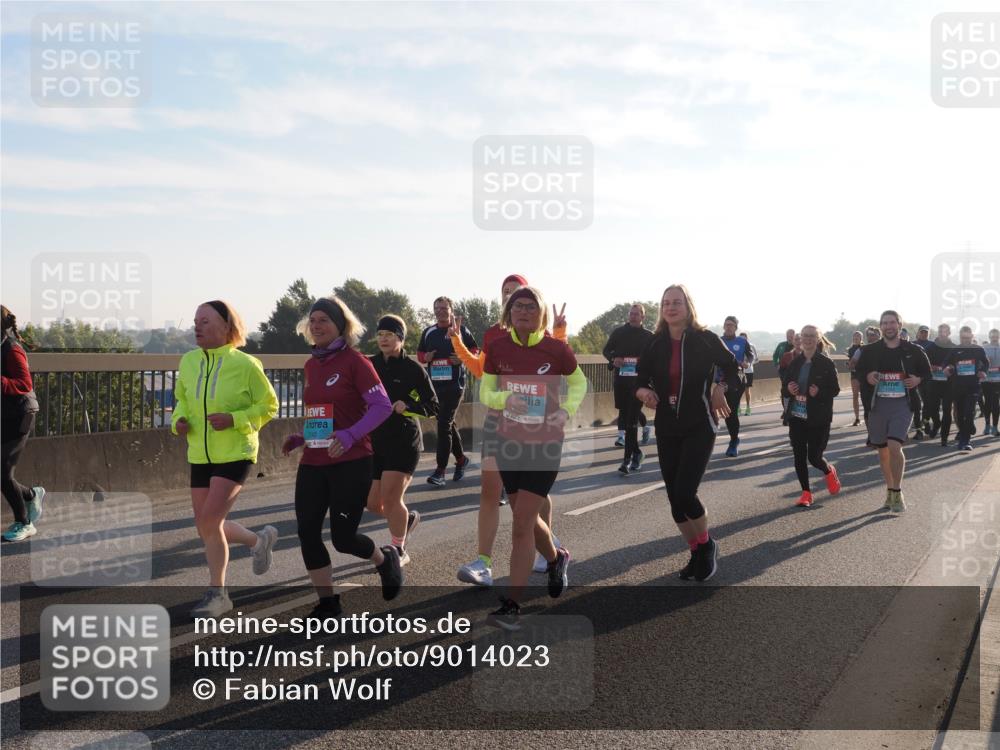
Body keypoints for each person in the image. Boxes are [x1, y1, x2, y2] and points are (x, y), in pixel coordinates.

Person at [281, 297, 401, 621]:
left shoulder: (356, 362)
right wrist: (304, 437)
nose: (317, 326)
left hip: (352, 460)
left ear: (340, 326)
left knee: (343, 539)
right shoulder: (311, 365)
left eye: (324, 320)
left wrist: (349, 435)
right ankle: (328, 604)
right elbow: (322, 413)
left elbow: (382, 407)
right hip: (314, 461)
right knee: (307, 531)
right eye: (313, 320)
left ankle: (384, 559)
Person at [479, 285, 586, 629]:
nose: (523, 311)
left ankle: (511, 605)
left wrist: (566, 410)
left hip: (545, 444)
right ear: (508, 313)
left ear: (540, 313)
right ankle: (557, 558)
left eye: (530, 306)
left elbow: (580, 383)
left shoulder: (556, 350)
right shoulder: (496, 347)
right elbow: (486, 390)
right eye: (517, 306)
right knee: (523, 515)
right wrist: (503, 401)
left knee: (521, 524)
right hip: (508, 443)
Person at [450, 274, 568, 586]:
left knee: (533, 500)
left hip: (537, 431)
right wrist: (457, 343)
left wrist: (559, 332)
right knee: (490, 491)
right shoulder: (494, 337)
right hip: (498, 424)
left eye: (517, 293)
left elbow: (561, 366)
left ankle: (549, 552)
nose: (511, 298)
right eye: (506, 294)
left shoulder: (543, 339)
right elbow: (479, 370)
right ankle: (484, 563)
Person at [172, 300, 280, 618]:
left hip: (236, 452)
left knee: (209, 522)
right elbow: (181, 400)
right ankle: (257, 541)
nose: (197, 326)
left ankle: (218, 594)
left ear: (227, 327)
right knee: (206, 526)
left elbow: (269, 406)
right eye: (195, 321)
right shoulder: (189, 362)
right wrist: (178, 420)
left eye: (205, 321)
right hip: (200, 452)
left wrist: (234, 419)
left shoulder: (245, 364)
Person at [635, 284, 737, 583]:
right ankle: (695, 551)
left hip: (699, 425)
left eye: (676, 302)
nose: (670, 307)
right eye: (666, 302)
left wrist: (721, 388)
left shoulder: (705, 339)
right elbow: (638, 378)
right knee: (673, 499)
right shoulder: (654, 344)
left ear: (688, 306)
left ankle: (707, 545)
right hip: (667, 426)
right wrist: (642, 390)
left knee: (685, 493)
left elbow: (733, 368)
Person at [367, 315, 439, 566]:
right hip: (375, 440)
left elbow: (433, 406)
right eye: (380, 334)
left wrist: (407, 406)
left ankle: (398, 548)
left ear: (401, 338)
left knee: (390, 498)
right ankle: (405, 521)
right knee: (373, 503)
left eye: (389, 334)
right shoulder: (369, 365)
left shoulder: (412, 369)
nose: (384, 338)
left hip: (404, 440)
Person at [854, 310, 931, 512]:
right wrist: (868, 376)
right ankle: (889, 489)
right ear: (881, 326)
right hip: (877, 406)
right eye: (885, 323)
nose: (889, 326)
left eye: (892, 322)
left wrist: (918, 380)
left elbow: (928, 373)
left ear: (899, 325)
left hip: (902, 405)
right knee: (883, 452)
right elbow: (859, 372)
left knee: (895, 446)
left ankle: (897, 492)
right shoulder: (870, 350)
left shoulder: (912, 350)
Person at [417, 297, 478, 486]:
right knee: (447, 423)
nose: (441, 312)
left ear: (451, 310)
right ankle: (461, 460)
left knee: (443, 424)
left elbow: (475, 351)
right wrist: (425, 357)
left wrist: (462, 359)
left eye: (444, 308)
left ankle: (440, 471)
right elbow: (420, 355)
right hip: (434, 386)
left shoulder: (461, 330)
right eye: (437, 309)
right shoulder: (429, 332)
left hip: (455, 385)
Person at [781, 326, 841, 507]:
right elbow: (784, 388)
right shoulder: (795, 363)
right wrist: (789, 389)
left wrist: (820, 392)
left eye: (811, 336)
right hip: (797, 415)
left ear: (818, 338)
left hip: (818, 417)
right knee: (799, 454)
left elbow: (835, 390)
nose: (807, 339)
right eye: (804, 336)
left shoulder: (826, 363)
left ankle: (828, 470)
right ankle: (806, 493)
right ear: (799, 339)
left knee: (814, 457)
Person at [1, 306, 44, 542]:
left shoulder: (11, 349)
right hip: (4, 414)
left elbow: (24, 383)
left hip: (21, 414)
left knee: (2, 470)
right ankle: (30, 494)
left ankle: (24, 523)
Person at [602, 303, 654, 474]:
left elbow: (656, 359)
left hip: (639, 385)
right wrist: (613, 358)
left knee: (631, 420)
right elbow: (607, 350)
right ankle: (637, 453)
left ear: (643, 317)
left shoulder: (649, 336)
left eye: (637, 314)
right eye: (631, 314)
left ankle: (626, 461)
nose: (633, 316)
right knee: (627, 419)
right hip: (621, 382)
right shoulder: (619, 333)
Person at [943, 326, 989, 452]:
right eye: (963, 338)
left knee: (969, 413)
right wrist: (946, 369)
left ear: (972, 336)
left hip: (973, 386)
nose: (966, 340)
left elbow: (986, 363)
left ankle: (965, 441)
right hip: (957, 386)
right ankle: (967, 428)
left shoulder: (978, 349)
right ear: (960, 337)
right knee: (961, 414)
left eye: (968, 338)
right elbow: (945, 363)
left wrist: (983, 371)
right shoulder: (955, 350)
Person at [718, 316, 753, 457]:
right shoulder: (718, 341)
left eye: (731, 325)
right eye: (726, 324)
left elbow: (751, 356)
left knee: (731, 411)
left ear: (736, 327)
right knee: (720, 412)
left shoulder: (742, 341)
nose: (728, 327)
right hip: (720, 379)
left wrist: (746, 362)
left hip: (737, 379)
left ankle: (733, 441)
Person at [924, 324, 955, 445]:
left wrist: (951, 367)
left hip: (949, 383)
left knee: (947, 410)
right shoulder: (930, 347)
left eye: (945, 331)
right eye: (940, 331)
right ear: (938, 332)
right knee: (932, 409)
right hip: (933, 382)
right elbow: (924, 363)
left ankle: (944, 438)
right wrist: (932, 367)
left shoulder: (954, 347)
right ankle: (936, 423)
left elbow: (958, 364)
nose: (942, 333)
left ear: (949, 333)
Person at [913, 325, 934, 434]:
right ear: (918, 333)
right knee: (916, 405)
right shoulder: (912, 344)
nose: (924, 334)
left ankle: (926, 423)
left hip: (927, 377)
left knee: (928, 403)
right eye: (922, 332)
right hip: (914, 377)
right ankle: (918, 430)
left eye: (926, 332)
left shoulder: (932, 344)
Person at [779, 334, 803, 427]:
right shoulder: (787, 356)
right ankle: (787, 415)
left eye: (800, 339)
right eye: (796, 339)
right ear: (793, 342)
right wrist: (787, 383)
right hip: (790, 388)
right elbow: (782, 370)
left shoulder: (809, 356)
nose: (798, 341)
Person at [773, 328, 795, 422]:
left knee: (794, 390)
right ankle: (786, 410)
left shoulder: (798, 346)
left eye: (791, 335)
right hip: (784, 371)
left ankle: (792, 410)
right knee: (784, 391)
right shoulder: (781, 345)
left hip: (795, 371)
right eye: (788, 335)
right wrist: (776, 364)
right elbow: (775, 355)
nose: (789, 337)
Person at [983, 329, 1000, 437]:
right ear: (989, 337)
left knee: (995, 403)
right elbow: (979, 362)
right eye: (992, 336)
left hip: (998, 380)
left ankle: (995, 427)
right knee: (988, 402)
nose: (994, 338)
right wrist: (985, 362)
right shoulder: (984, 348)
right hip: (986, 379)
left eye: (996, 336)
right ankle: (987, 426)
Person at [846, 331, 864, 426]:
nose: (856, 338)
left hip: (864, 375)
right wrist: (849, 365)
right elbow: (850, 362)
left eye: (858, 336)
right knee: (855, 395)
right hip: (855, 375)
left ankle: (867, 414)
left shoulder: (864, 348)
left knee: (865, 396)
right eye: (854, 336)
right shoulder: (850, 350)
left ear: (861, 339)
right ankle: (857, 418)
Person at [739, 332, 758, 416]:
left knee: (747, 390)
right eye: (741, 338)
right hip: (739, 371)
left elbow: (756, 359)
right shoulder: (738, 346)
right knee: (738, 390)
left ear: (747, 339)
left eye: (744, 338)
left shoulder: (751, 346)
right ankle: (738, 407)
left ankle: (748, 407)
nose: (743, 340)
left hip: (749, 371)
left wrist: (749, 363)